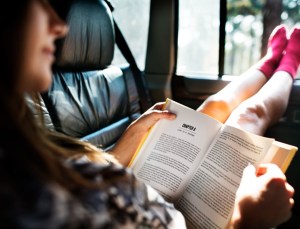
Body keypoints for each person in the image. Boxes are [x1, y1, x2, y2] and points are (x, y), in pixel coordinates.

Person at [0, 0, 297, 228]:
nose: (61, 26)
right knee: (249, 116)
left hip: (150, 187)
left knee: (213, 108)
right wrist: (246, 222)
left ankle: (269, 63)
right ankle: (287, 66)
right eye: (37, 5)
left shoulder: (26, 152)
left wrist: (130, 138)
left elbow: (78, 178)